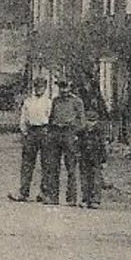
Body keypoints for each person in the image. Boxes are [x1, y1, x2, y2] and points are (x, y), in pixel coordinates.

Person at [8, 76, 53, 202]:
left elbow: (51, 118)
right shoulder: (28, 102)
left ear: (45, 88)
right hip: (31, 131)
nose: (39, 89)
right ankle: (24, 192)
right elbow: (23, 118)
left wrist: (48, 132)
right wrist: (25, 132)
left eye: (42, 87)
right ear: (34, 88)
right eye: (37, 87)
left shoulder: (49, 102)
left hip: (44, 131)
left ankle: (44, 193)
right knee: (27, 163)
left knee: (46, 163)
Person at [46, 78, 86, 206]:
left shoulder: (77, 101)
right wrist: (51, 132)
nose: (63, 90)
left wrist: (76, 134)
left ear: (70, 87)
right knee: (53, 166)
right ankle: (53, 197)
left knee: (71, 167)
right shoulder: (55, 101)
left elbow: (82, 120)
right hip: (56, 133)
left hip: (69, 133)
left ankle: (71, 198)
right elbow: (51, 117)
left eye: (66, 87)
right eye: (61, 87)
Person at [77, 104, 106, 209]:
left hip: (96, 158)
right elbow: (78, 144)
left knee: (96, 179)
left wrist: (103, 160)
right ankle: (85, 199)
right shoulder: (81, 132)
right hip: (84, 157)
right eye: (89, 121)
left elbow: (103, 146)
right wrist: (78, 153)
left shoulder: (99, 132)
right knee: (84, 178)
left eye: (93, 121)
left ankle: (96, 200)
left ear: (97, 121)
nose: (90, 123)